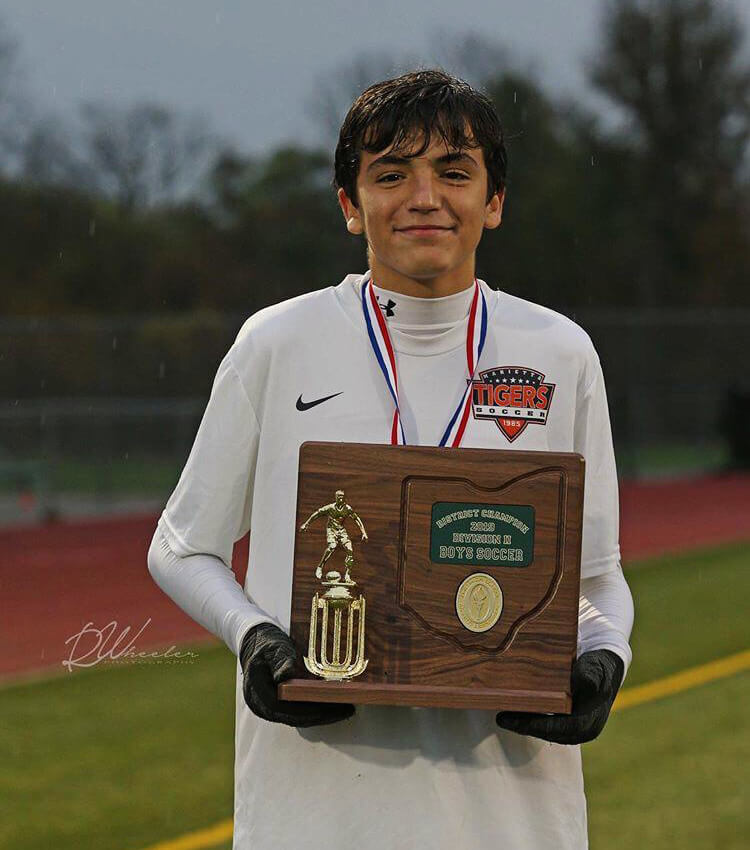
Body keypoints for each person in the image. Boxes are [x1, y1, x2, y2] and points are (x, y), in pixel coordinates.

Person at [147, 68, 634, 849]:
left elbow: (598, 575)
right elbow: (181, 544)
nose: (424, 197)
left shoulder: (559, 352)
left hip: (512, 819)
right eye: (390, 173)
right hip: (315, 815)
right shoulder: (277, 343)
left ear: (495, 200)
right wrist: (254, 638)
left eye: (454, 171)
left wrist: (605, 654)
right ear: (350, 205)